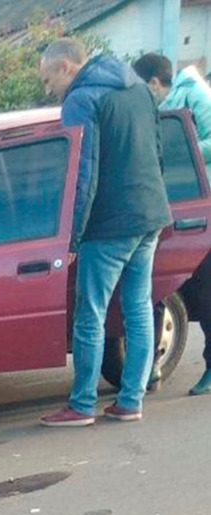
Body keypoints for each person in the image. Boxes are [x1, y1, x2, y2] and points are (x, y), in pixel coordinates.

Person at [37, 37, 172, 427]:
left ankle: (82, 405)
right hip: (150, 214)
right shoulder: (140, 89)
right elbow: (157, 151)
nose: (49, 89)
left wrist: (72, 236)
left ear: (65, 66)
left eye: (48, 80)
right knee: (138, 309)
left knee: (90, 315)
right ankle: (131, 401)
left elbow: (82, 172)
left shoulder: (81, 100)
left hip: (108, 224)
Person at [133, 52, 211, 396]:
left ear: (153, 82)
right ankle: (148, 367)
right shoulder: (156, 106)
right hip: (167, 207)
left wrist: (180, 149)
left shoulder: (195, 94)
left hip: (201, 207)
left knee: (205, 292)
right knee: (159, 288)